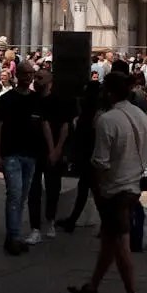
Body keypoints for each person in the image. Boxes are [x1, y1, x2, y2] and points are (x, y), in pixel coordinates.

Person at [68, 71, 147, 293]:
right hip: (133, 185)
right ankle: (92, 286)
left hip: (115, 189)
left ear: (110, 92)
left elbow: (100, 162)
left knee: (119, 242)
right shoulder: (142, 116)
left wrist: (99, 190)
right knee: (109, 240)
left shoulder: (107, 120)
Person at [0, 61, 53, 256]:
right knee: (15, 194)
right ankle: (14, 236)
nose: (29, 77)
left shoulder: (37, 99)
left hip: (31, 154)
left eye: (31, 74)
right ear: (17, 75)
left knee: (22, 196)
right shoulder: (7, 99)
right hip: (11, 153)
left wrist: (51, 149)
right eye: (25, 74)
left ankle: (14, 235)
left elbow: (44, 124)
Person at [26, 69, 71, 243]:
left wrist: (57, 149)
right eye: (35, 77)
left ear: (50, 81)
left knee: (53, 188)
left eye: (40, 78)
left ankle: (50, 220)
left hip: (52, 151)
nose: (36, 81)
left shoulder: (58, 101)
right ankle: (35, 227)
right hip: (34, 151)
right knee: (34, 190)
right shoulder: (31, 99)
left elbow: (65, 126)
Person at [57, 81, 102, 232]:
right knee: (89, 189)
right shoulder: (96, 110)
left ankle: (73, 221)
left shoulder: (87, 111)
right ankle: (73, 220)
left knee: (89, 189)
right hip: (90, 154)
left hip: (87, 155)